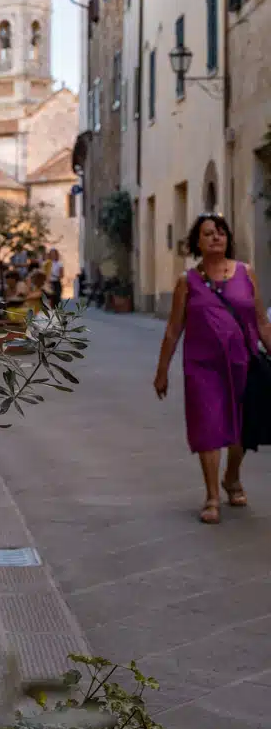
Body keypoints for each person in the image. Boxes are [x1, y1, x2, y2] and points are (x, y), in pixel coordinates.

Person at [153, 213, 271, 524]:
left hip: (243, 363)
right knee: (208, 425)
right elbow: (173, 329)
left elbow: (261, 322)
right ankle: (212, 497)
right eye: (208, 234)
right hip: (203, 368)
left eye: (220, 232)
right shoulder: (187, 282)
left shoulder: (247, 274)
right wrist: (162, 371)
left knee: (242, 428)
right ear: (197, 243)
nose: (216, 237)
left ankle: (231, 477)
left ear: (228, 238)